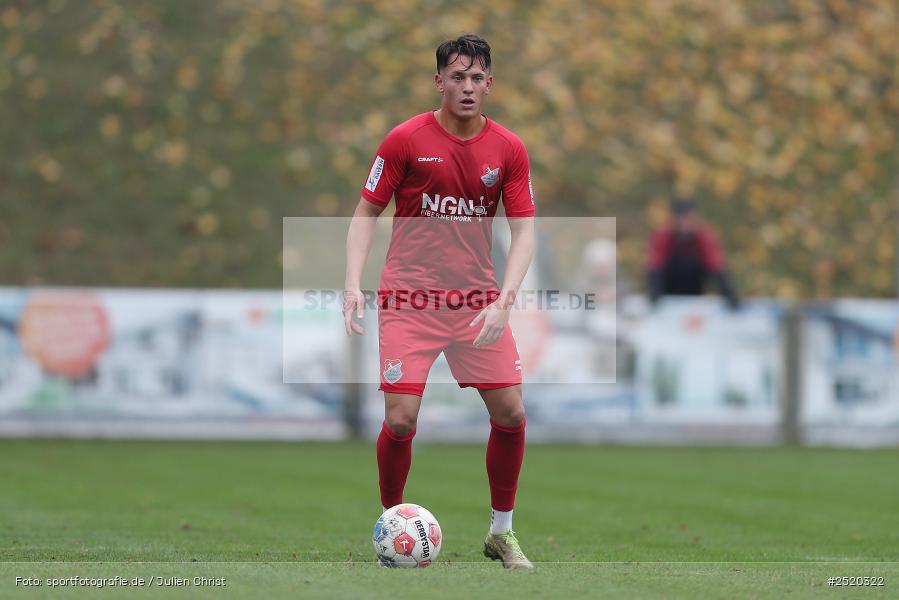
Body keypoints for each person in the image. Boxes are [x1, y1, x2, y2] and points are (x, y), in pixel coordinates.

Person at [343, 35, 535, 569]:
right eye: (457, 77)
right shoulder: (404, 140)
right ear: (439, 82)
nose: (467, 87)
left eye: (476, 78)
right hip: (410, 299)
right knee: (402, 420)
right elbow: (366, 211)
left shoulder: (509, 149)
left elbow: (524, 231)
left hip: (475, 302)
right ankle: (391, 522)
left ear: (489, 84)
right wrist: (353, 283)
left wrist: (504, 301)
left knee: (512, 413)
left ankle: (502, 533)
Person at [647, 197, 740, 309]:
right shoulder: (663, 235)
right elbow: (656, 266)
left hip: (695, 287)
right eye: (681, 220)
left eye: (688, 219)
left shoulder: (703, 235)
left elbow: (715, 266)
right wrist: (655, 291)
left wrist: (727, 292)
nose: (685, 225)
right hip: (668, 287)